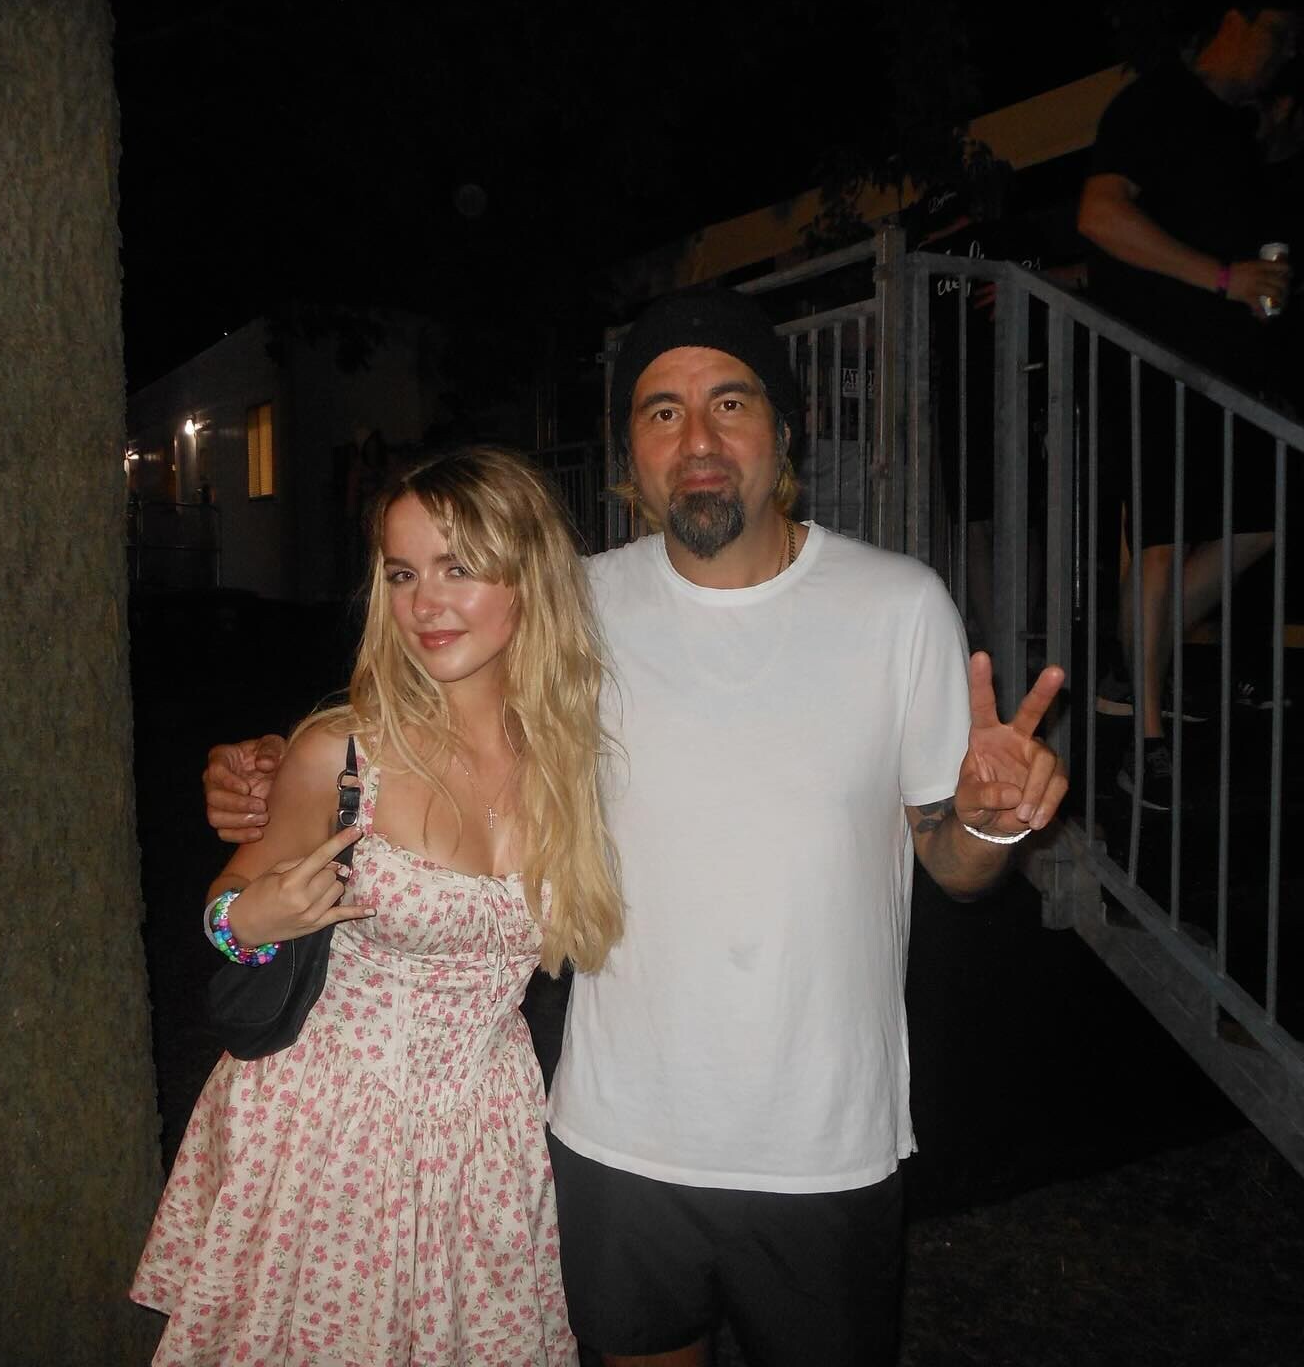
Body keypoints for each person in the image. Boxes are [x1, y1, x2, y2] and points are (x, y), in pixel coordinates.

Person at [206, 289, 1068, 1366]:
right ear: (632, 453)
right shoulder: (570, 608)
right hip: (612, 1142)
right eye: (662, 412)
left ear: (786, 430)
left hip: (824, 1145)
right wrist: (265, 768)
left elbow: (954, 863)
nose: (696, 439)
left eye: (730, 403)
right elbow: (422, 704)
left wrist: (990, 826)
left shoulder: (901, 606)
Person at [134, 447, 623, 1365]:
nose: (425, 603)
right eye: (402, 574)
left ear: (529, 580)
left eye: (458, 567)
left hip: (489, 1133)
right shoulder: (343, 753)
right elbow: (225, 908)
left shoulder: (571, 757)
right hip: (329, 1132)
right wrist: (250, 925)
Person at [1078, 0, 1298, 808]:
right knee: (1162, 542)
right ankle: (1146, 741)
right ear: (1236, 18)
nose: (1283, 53)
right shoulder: (1156, 100)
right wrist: (1224, 278)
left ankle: (1132, 662)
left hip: (1228, 373)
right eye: (1277, 34)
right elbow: (1099, 214)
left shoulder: (1239, 133)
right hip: (1155, 362)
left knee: (1263, 517)